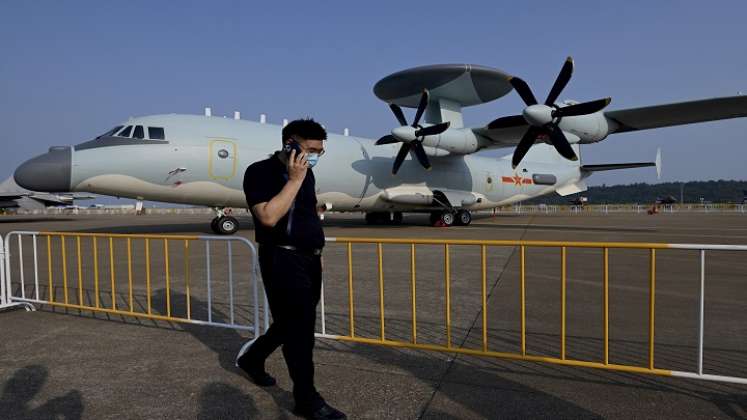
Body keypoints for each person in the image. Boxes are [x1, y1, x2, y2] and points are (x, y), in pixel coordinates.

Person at [237, 118, 346, 420]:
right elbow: (268, 217)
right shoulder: (260, 172)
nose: (315, 156)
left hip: (309, 259)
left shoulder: (308, 176)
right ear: (290, 143)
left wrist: (316, 252)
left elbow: (308, 214)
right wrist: (294, 180)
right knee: (299, 331)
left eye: (320, 152)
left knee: (290, 322)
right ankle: (306, 400)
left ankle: (253, 359)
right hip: (281, 258)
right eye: (311, 149)